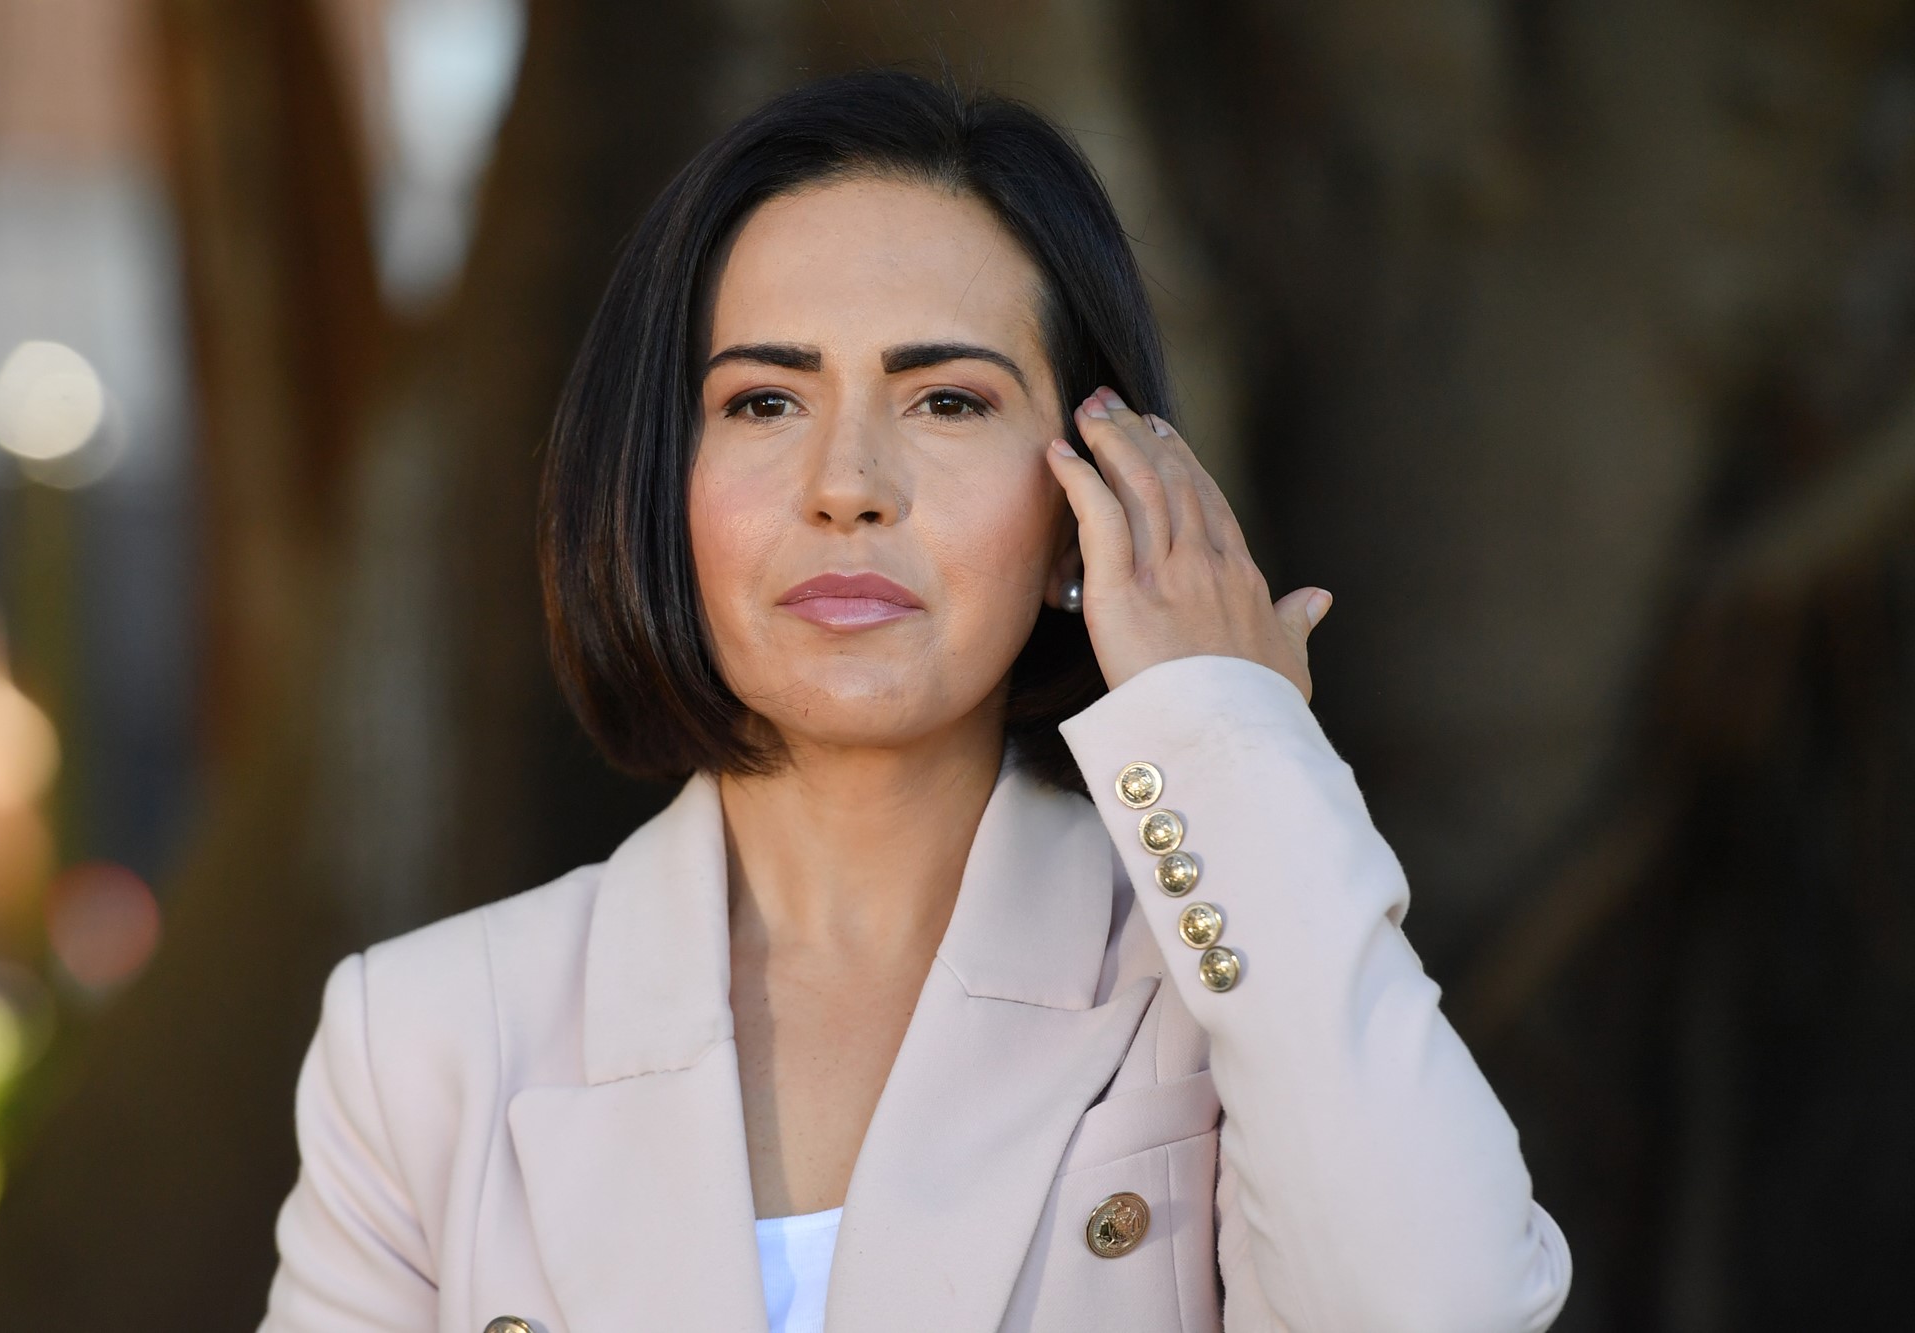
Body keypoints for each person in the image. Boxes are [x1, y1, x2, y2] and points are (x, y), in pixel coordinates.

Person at [257, 67, 1573, 1333]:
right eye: (763, 399)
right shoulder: (427, 1039)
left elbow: (1440, 1305)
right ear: (664, 484)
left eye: (946, 398)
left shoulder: (1216, 983)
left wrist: (1233, 745)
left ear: (1084, 507)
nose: (848, 482)